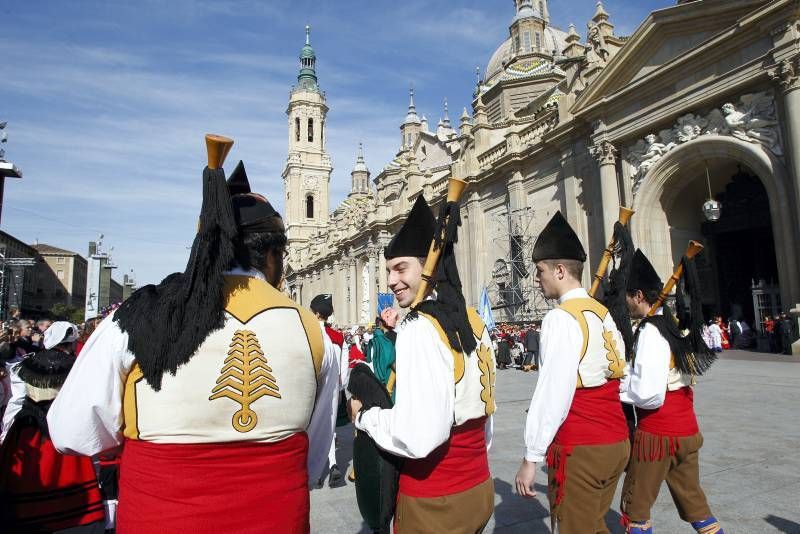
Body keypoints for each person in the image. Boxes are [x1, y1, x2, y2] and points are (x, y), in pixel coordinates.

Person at [47, 156, 338, 533]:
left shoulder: (137, 317)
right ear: (271, 256)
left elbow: (72, 431)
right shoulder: (312, 332)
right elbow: (313, 461)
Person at [349, 195, 497, 532]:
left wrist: (367, 418)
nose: (390, 280)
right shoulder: (474, 320)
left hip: (436, 500)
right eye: (388, 270)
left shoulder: (418, 327)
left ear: (428, 265)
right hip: (479, 485)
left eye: (401, 268)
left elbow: (419, 437)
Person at [515, 211, 629, 534]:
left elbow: (554, 392)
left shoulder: (561, 318)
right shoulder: (603, 312)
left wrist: (531, 457)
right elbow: (621, 372)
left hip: (583, 447)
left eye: (540, 272)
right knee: (593, 524)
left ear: (561, 270)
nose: (538, 279)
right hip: (616, 441)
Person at [619, 249, 723, 534]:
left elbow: (650, 394)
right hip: (687, 431)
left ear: (639, 296)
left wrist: (620, 387)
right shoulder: (675, 326)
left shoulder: (651, 331)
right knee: (696, 507)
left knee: (635, 511)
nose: (625, 304)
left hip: (658, 436)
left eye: (627, 297)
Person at [0, 321, 106, 532]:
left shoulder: (26, 364)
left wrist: (6, 432)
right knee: (68, 477)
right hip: (61, 431)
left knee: (26, 483)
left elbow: (16, 402)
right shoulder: (78, 366)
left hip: (29, 431)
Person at [310, 293, 348, 489]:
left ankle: (315, 472)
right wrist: (341, 388)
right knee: (330, 425)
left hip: (313, 387)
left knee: (313, 426)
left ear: (316, 314)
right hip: (334, 386)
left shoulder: (309, 334)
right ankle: (333, 463)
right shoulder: (338, 337)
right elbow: (343, 367)